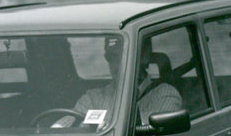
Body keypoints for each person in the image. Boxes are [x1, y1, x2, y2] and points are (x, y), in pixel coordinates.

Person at [53, 37, 183, 129]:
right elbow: (61, 126)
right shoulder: (94, 97)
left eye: (124, 55)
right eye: (111, 57)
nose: (116, 64)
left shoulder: (165, 94)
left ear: (144, 57)